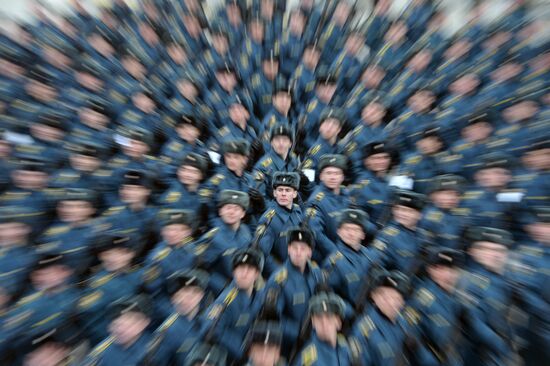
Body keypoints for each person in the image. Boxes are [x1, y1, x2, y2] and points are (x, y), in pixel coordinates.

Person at [459, 226, 518, 366]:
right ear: (474, 252)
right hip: (481, 352)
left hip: (502, 347)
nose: (493, 254)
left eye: (499, 250)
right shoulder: (468, 281)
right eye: (486, 249)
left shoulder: (506, 278)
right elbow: (475, 323)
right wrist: (504, 349)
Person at [201, 247, 266, 363]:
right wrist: (244, 350)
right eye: (240, 268)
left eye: (250, 269)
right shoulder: (226, 301)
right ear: (234, 272)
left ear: (257, 274)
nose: (244, 273)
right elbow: (211, 329)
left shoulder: (259, 295)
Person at [265, 227, 323, 353]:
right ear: (288, 249)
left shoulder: (316, 272)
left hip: (317, 335)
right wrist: (300, 333)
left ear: (310, 252)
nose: (298, 252)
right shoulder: (278, 280)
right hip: (291, 344)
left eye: (303, 248)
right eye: (294, 247)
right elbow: (272, 320)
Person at [78, 234, 143, 345]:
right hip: (110, 338)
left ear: (130, 254)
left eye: (119, 253)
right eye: (108, 254)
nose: (111, 258)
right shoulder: (97, 284)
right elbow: (91, 321)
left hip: (135, 329)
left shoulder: (137, 272)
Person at [409, 247, 466, 365]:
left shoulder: (458, 295)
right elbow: (411, 335)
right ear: (430, 270)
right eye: (440, 269)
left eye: (451, 269)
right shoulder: (421, 299)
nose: (447, 274)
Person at [348, 269, 417, 366]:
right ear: (374, 297)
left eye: (397, 299)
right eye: (386, 297)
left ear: (403, 302)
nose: (392, 303)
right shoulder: (363, 330)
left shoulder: (403, 322)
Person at [147, 269, 210, 365]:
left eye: (190, 296)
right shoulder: (166, 333)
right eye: (179, 296)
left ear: (201, 295)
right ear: (172, 300)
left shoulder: (207, 317)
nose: (184, 301)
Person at [196, 190, 253, 294]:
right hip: (221, 291)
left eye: (236, 209)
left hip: (242, 283)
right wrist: (223, 287)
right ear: (220, 211)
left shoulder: (245, 231)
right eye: (228, 208)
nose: (231, 212)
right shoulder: (213, 238)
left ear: (243, 214)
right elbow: (201, 269)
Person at [323, 209, 378, 311]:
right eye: (347, 229)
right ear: (339, 232)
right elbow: (327, 296)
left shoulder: (369, 255)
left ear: (363, 234)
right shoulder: (333, 263)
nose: (351, 233)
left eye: (356, 230)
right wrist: (350, 312)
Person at [82, 294, 153, 365]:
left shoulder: (153, 348)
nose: (120, 330)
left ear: (145, 322)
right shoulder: (102, 352)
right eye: (116, 325)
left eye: (129, 325)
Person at [257, 172, 305, 275]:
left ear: (295, 194)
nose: (283, 194)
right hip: (282, 272)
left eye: (287, 190)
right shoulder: (268, 219)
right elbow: (263, 254)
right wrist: (282, 273)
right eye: (280, 190)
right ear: (274, 193)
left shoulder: (297, 210)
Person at [307, 154, 352, 260]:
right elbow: (317, 234)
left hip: (347, 247)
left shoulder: (345, 193)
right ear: (321, 176)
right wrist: (338, 254)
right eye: (328, 173)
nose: (333, 177)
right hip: (329, 256)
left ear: (343, 177)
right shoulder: (316, 201)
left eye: (337, 173)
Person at [292, 292, 352, 366]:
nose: (324, 323)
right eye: (319, 318)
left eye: (329, 317)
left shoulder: (345, 347)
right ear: (313, 323)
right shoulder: (311, 360)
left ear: (338, 322)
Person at [373, 189, 426, 274]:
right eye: (399, 209)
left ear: (419, 215)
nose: (402, 214)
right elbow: (376, 266)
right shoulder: (387, 236)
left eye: (409, 211)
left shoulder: (422, 235)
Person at [418, 174, 470, 250]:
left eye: (457, 194)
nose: (452, 198)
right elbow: (426, 247)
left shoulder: (460, 214)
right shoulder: (428, 217)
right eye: (447, 194)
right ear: (433, 195)